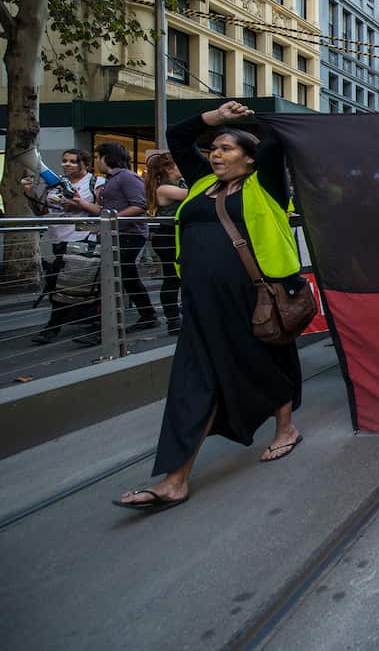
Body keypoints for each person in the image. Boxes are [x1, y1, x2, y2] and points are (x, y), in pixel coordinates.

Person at [114, 101, 305, 512]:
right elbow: (178, 139)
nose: (215, 154)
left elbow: (275, 143)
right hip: (200, 300)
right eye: (214, 148)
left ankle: (285, 429)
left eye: (226, 148)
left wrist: (251, 120)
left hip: (253, 296)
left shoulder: (265, 183)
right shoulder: (201, 184)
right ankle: (175, 479)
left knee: (267, 360)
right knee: (193, 381)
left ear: (249, 158)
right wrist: (215, 119)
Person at [62, 141, 157, 340]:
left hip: (129, 234)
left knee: (112, 277)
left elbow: (140, 205)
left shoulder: (126, 178)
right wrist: (80, 203)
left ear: (106, 157)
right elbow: (104, 211)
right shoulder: (112, 180)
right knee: (127, 277)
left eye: (98, 157)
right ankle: (147, 315)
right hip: (120, 233)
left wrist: (111, 222)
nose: (97, 162)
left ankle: (105, 327)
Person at [22, 149, 99, 344]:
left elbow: (101, 210)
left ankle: (54, 328)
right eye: (65, 161)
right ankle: (90, 324)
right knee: (63, 284)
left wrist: (77, 205)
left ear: (86, 165)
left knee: (66, 285)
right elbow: (41, 211)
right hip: (59, 240)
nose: (67, 165)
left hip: (82, 240)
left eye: (73, 162)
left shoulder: (96, 183)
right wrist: (29, 191)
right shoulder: (55, 185)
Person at [144, 151, 189, 334]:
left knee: (181, 278)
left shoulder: (176, 183)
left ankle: (181, 315)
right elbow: (192, 195)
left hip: (177, 235)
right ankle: (173, 320)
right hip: (168, 236)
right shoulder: (164, 188)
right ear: (168, 169)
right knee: (172, 279)